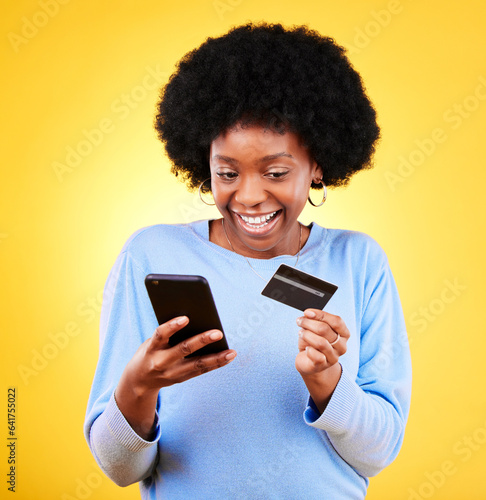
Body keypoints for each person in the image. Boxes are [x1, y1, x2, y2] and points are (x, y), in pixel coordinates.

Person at [84, 22, 412, 499]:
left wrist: (327, 382)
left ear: (317, 163)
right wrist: (139, 387)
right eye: (227, 173)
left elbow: (378, 453)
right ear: (203, 163)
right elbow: (120, 469)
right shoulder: (151, 255)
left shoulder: (360, 262)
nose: (250, 196)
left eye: (276, 172)